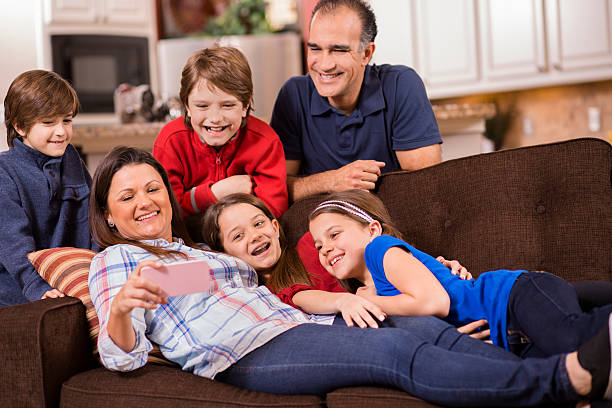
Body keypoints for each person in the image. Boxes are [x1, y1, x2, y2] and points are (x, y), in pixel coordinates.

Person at [88, 145, 611, 406]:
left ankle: (564, 380)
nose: (145, 202)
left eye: (152, 188)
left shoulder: (197, 257)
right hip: (248, 349)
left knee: (425, 330)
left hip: (297, 325)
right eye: (127, 196)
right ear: (109, 215)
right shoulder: (117, 261)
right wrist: (120, 309)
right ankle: (562, 380)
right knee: (393, 353)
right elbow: (119, 356)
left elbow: (254, 283)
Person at [308, 189, 612, 358]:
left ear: (372, 229)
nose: (325, 248)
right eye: (319, 245)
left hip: (509, 297)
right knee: (569, 379)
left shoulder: (380, 250)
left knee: (572, 339)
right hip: (511, 337)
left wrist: (367, 300)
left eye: (334, 234)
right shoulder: (370, 292)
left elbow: (434, 303)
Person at [202, 193, 473, 331]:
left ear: (275, 227)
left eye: (259, 223)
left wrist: (431, 266)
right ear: (224, 254)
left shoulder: (315, 246)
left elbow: (372, 243)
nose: (255, 235)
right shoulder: (242, 289)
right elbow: (169, 281)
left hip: (394, 314)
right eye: (238, 235)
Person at [270, 0, 441, 203]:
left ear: (366, 54)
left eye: (339, 50)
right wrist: (332, 181)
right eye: (315, 49)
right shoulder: (294, 95)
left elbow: (427, 184)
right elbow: (275, 190)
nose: (324, 64)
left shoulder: (400, 84)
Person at [0, 70, 98, 307]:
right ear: (20, 127)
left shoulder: (71, 157)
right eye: (48, 123)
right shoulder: (5, 170)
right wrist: (36, 287)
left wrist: (100, 264)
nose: (61, 131)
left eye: (67, 120)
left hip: (72, 276)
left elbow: (93, 217)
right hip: (22, 285)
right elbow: (13, 242)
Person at [153, 46, 288, 219]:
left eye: (228, 105)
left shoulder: (265, 142)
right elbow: (164, 210)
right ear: (187, 106)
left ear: (245, 106)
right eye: (202, 106)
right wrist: (216, 193)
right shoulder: (171, 141)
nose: (215, 118)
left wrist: (190, 199)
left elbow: (272, 212)